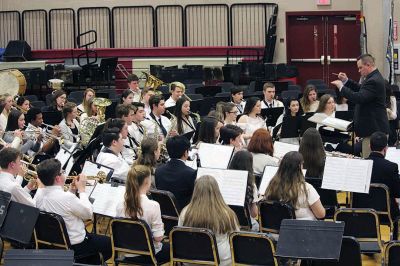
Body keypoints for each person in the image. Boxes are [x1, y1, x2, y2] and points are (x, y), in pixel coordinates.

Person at [35, 158, 112, 263]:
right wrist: (82, 190)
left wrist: (72, 190)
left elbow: (63, 207)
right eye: (62, 171)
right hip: (76, 246)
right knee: (108, 243)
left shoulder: (39, 195)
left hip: (53, 244)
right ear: (58, 178)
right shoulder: (67, 198)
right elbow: (88, 214)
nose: (64, 173)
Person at [331, 53, 389, 158]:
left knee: (370, 163)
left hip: (373, 130)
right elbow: (361, 89)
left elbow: (359, 98)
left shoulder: (373, 80)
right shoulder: (373, 77)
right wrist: (346, 81)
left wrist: (341, 87)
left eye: (360, 68)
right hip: (371, 129)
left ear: (368, 65)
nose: (359, 71)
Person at [178, 175, 239, 266]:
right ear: (217, 191)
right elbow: (236, 238)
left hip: (191, 260)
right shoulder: (227, 213)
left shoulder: (185, 212)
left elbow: (180, 236)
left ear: (195, 191)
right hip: (221, 261)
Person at [116, 165, 169, 262]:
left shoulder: (120, 204)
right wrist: (162, 228)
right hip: (149, 255)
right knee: (173, 249)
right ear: (146, 182)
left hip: (126, 253)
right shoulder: (153, 205)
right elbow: (158, 238)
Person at [264, 151, 326, 220]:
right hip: (303, 228)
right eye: (302, 164)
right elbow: (321, 214)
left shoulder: (272, 185)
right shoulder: (307, 188)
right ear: (299, 166)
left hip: (278, 228)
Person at [154, 135, 196, 210]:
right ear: (185, 153)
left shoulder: (158, 170)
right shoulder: (191, 173)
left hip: (163, 213)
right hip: (184, 215)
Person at [367, 131, 400, 220]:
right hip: (386, 213)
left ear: (369, 146)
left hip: (363, 211)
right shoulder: (392, 167)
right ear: (386, 148)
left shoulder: (359, 164)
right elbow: (397, 193)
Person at [228, 150, 259, 231]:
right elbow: (254, 214)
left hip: (226, 221)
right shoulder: (251, 185)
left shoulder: (225, 181)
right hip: (244, 225)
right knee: (257, 225)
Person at [385, 81, 398, 146]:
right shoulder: (377, 98)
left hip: (390, 124)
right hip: (379, 124)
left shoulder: (392, 98)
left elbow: (394, 116)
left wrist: (388, 110)